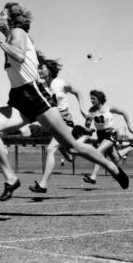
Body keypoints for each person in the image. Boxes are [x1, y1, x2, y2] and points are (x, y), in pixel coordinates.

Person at [0, 2, 129, 201]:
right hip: (17, 97)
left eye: (1, 14)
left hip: (35, 95)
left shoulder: (17, 32)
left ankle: (112, 167)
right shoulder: (10, 37)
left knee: (73, 147)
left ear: (11, 20)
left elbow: (21, 57)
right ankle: (11, 179)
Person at [29, 56, 87, 194]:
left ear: (49, 70)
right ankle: (84, 138)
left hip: (65, 120)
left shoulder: (61, 83)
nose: (39, 70)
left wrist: (82, 109)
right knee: (70, 157)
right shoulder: (41, 86)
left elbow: (77, 92)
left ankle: (42, 185)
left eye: (42, 68)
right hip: (52, 121)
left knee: (50, 149)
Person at [81, 90, 133, 184]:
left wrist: (130, 126)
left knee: (98, 151)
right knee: (115, 157)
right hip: (100, 135)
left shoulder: (109, 108)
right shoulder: (91, 110)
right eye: (91, 98)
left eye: (93, 98)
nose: (91, 100)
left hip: (110, 133)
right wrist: (88, 119)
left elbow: (124, 112)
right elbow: (87, 125)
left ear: (99, 99)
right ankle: (130, 148)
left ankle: (93, 177)